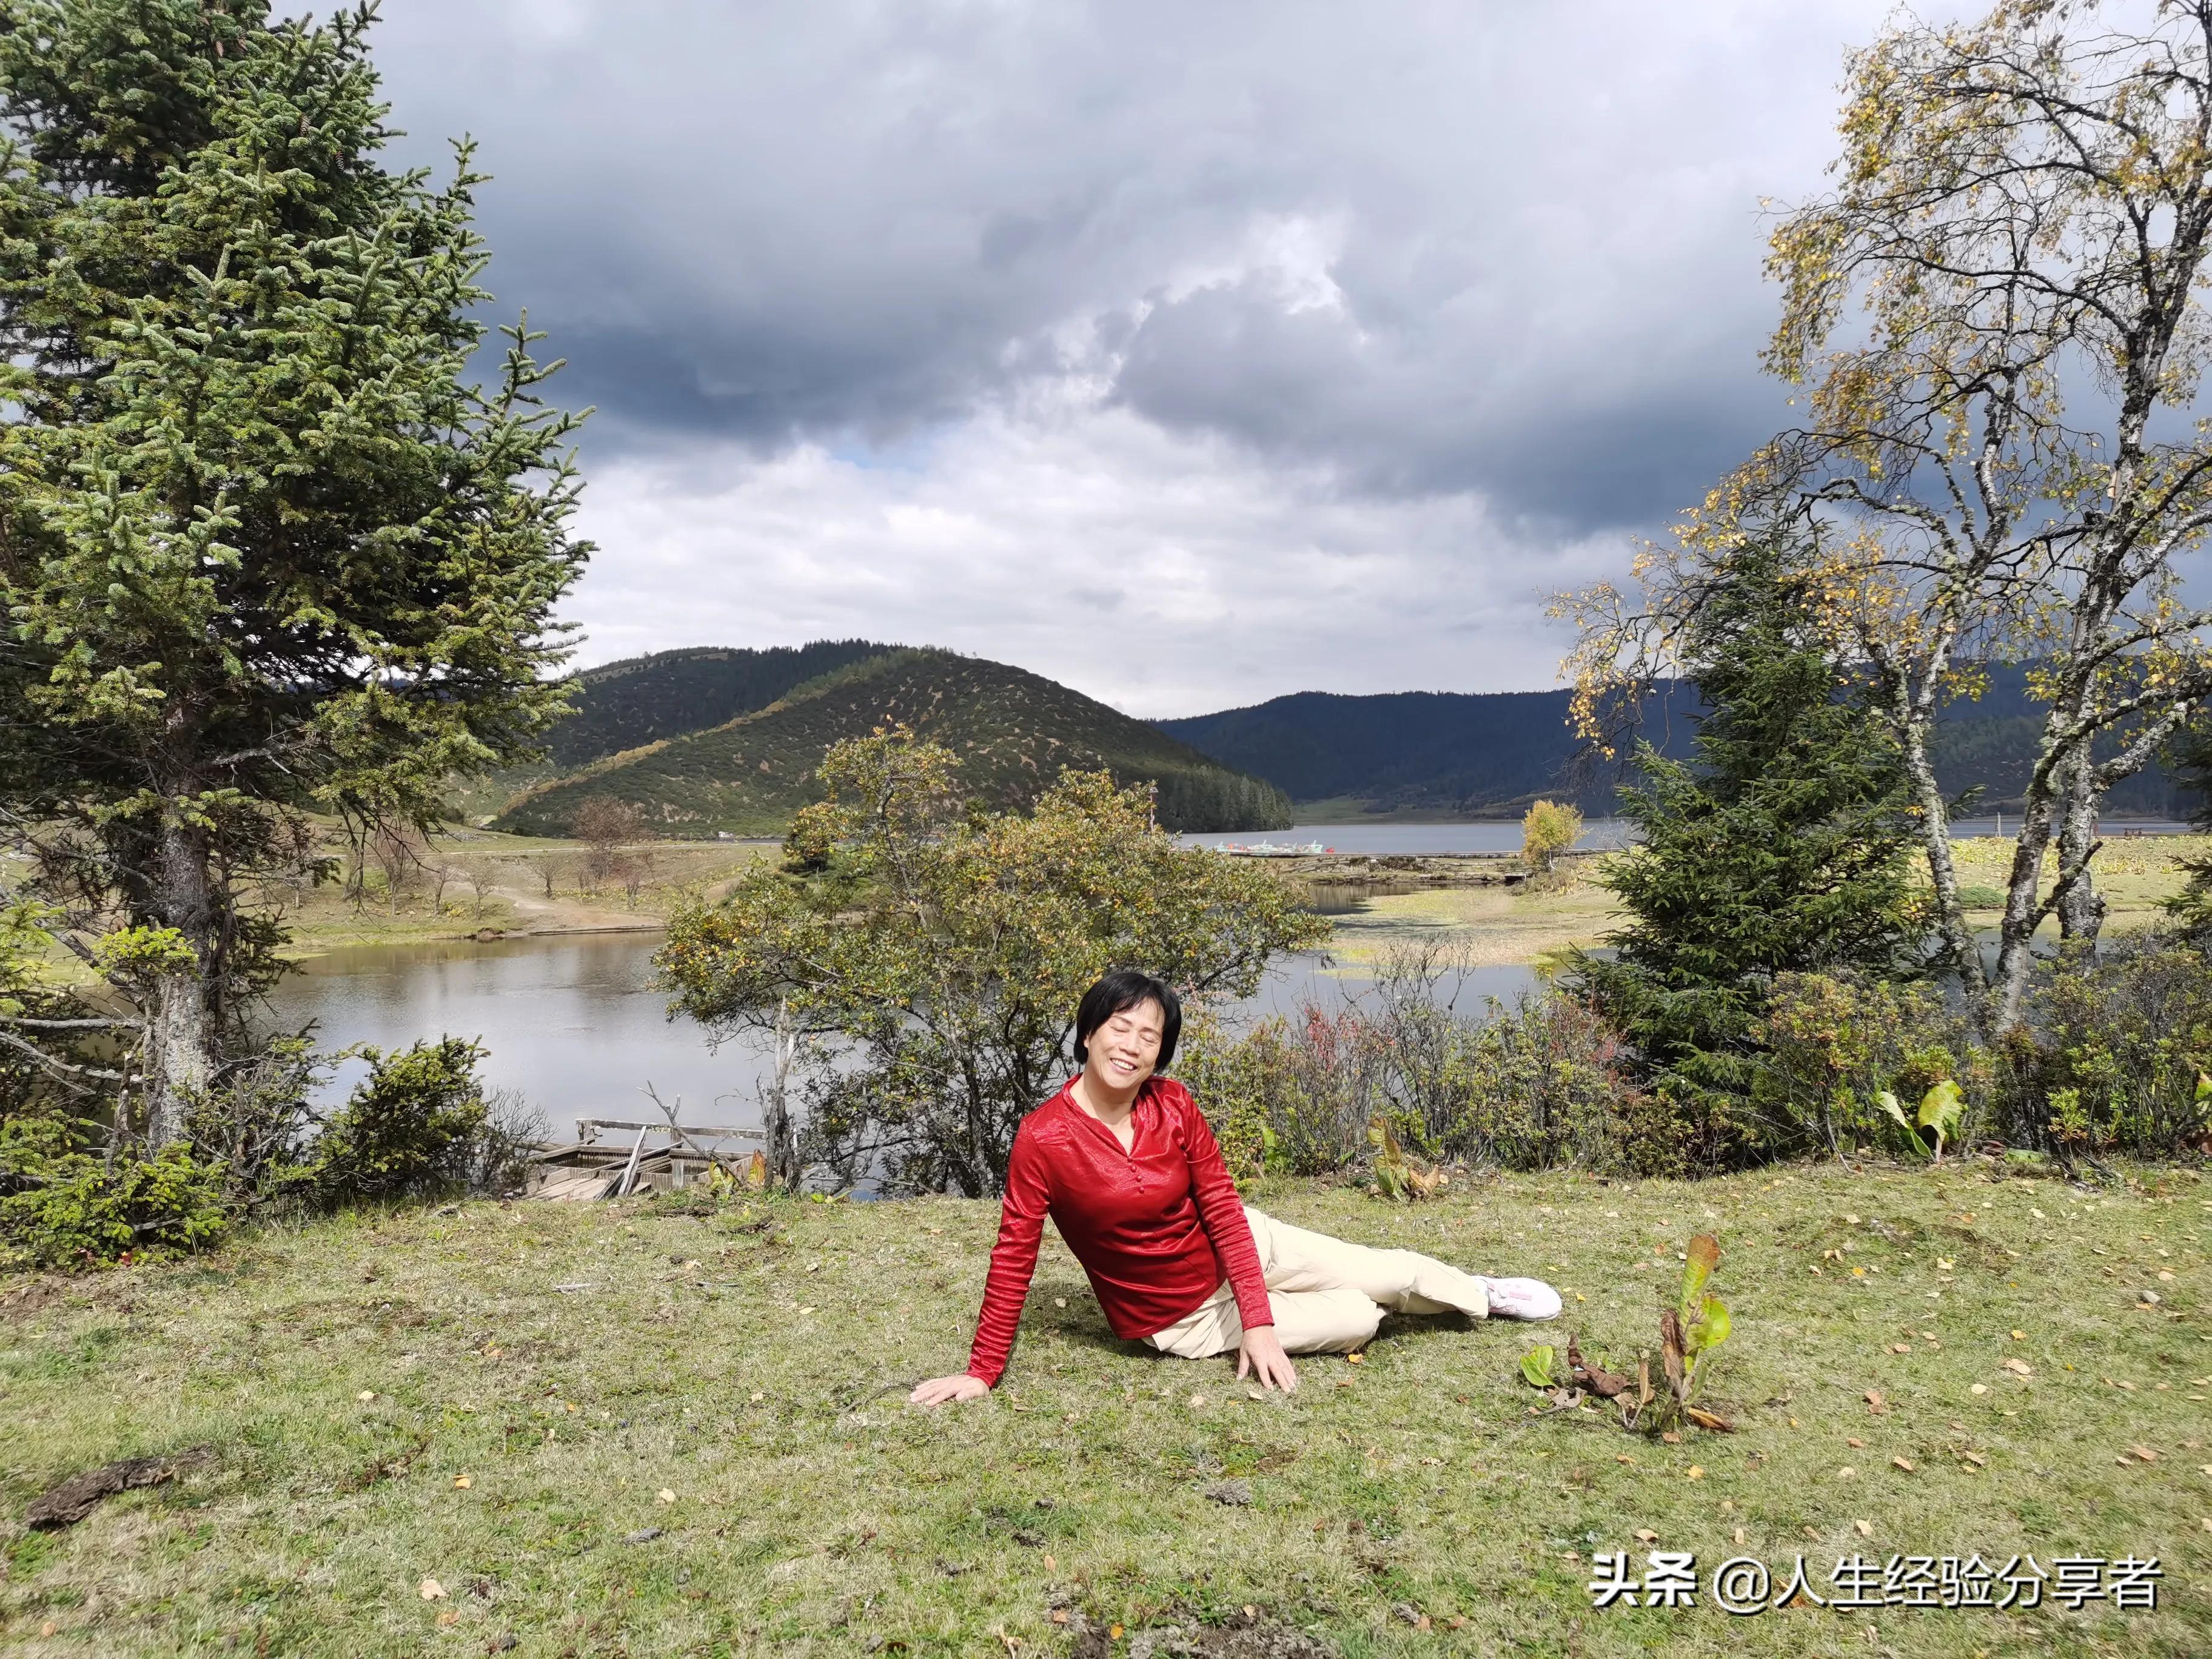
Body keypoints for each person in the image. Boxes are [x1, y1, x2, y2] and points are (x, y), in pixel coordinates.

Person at [910, 968, 1561, 1406]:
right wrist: (982, 1371)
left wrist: (1259, 1320)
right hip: (1181, 1316)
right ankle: (1397, 1301)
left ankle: (1479, 1294)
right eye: (1119, 1028)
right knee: (1359, 1315)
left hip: (1244, 1245)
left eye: (1149, 1037)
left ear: (1160, 1053)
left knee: (1393, 1269)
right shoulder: (1044, 1138)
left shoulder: (1173, 1104)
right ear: (1089, 1034)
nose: (1131, 1046)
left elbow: (1220, 1206)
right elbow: (1014, 1255)